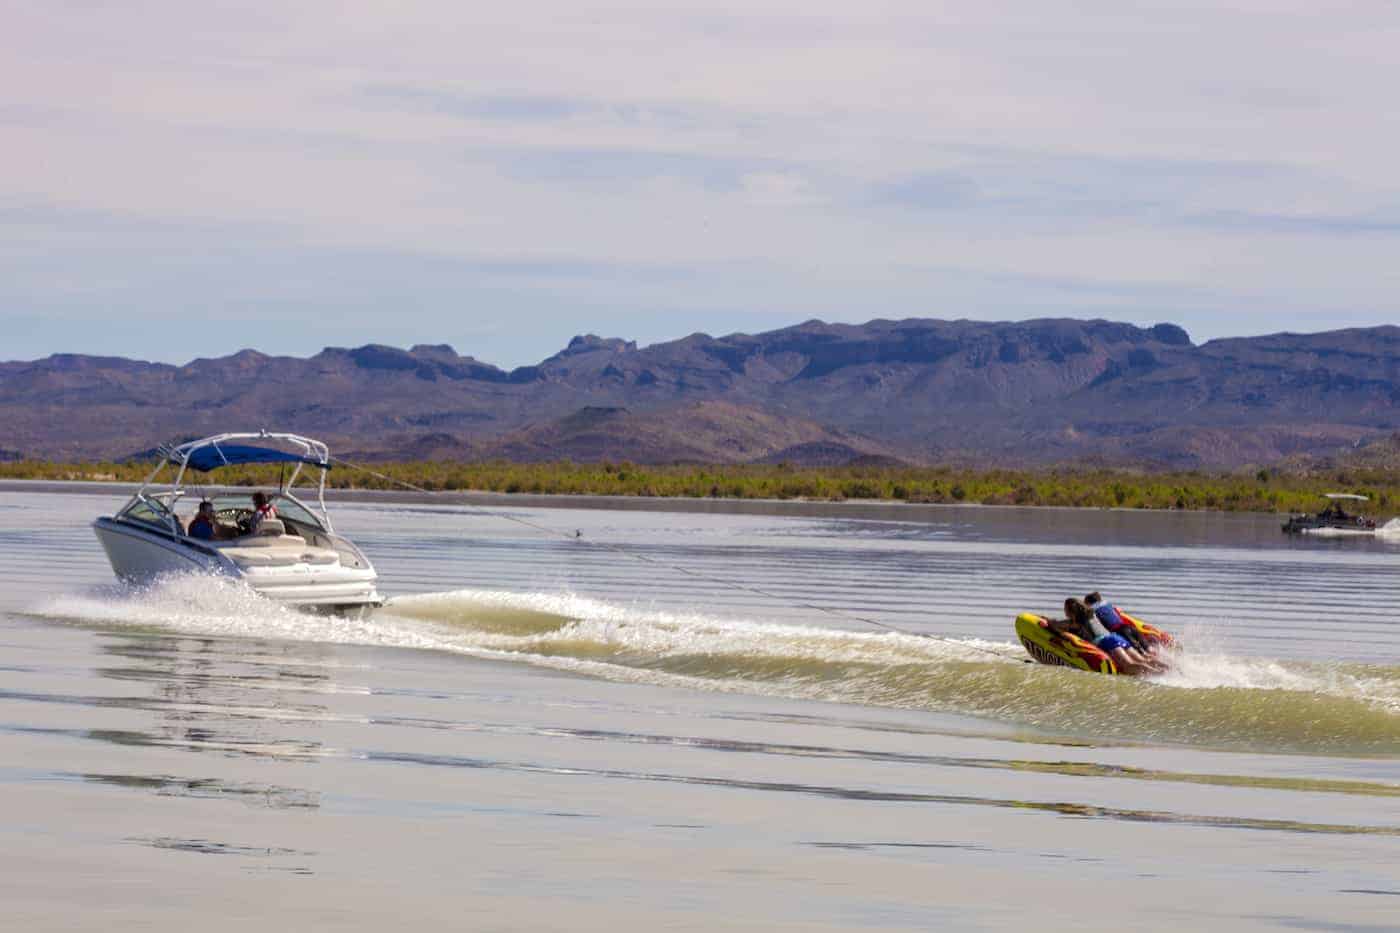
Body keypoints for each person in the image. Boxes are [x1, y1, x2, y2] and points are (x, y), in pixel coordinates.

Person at [1062, 598, 1164, 675]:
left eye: (1065, 609)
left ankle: (1159, 674)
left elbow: (1056, 624)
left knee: (1128, 665)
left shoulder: (1075, 622)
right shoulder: (1091, 614)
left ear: (1071, 611)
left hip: (1107, 641)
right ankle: (1168, 669)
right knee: (1142, 659)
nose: (1064, 611)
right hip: (1116, 637)